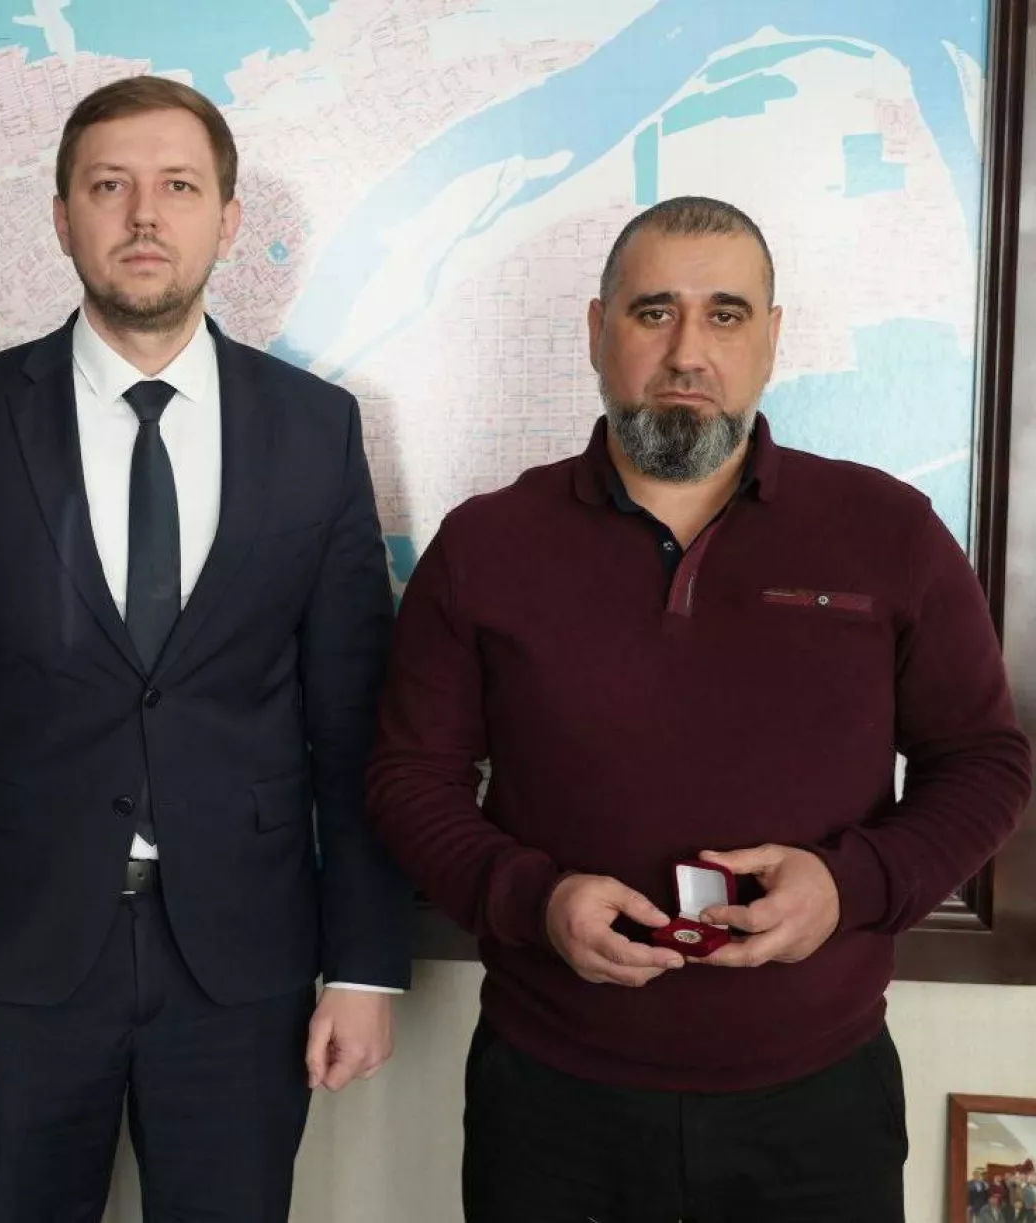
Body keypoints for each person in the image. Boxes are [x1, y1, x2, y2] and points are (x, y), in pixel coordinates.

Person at [366, 195, 1031, 1220]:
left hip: (819, 1106)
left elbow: (986, 762)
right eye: (653, 312)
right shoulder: (487, 542)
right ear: (599, 330)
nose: (688, 351)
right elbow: (409, 778)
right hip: (551, 1103)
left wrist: (848, 885)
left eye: (726, 314)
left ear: (773, 337)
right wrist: (534, 898)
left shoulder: (890, 531)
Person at [0, 75, 411, 1221]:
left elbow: (354, 719)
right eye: (110, 186)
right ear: (63, 218)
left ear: (229, 220)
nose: (145, 215)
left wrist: (363, 963)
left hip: (242, 968)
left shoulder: (316, 429)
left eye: (179, 187)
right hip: (9, 968)